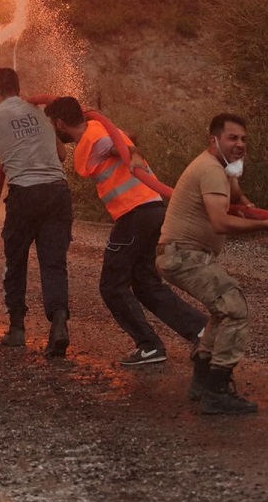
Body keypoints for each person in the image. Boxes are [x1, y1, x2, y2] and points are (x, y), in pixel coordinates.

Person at [44, 96, 208, 366]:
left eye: (53, 124)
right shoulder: (101, 130)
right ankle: (201, 330)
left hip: (135, 214)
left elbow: (118, 149)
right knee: (145, 284)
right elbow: (125, 138)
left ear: (60, 123)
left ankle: (149, 345)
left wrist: (133, 156)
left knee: (111, 286)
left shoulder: (94, 140)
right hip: (154, 208)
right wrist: (128, 147)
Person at [156, 113, 268, 415]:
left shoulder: (220, 169)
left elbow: (236, 194)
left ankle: (203, 383)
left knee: (222, 310)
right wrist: (267, 225)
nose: (240, 144)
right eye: (232, 138)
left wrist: (248, 205)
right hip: (184, 256)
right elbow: (219, 222)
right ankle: (216, 391)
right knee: (235, 308)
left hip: (182, 254)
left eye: (243, 139)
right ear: (213, 140)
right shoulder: (210, 169)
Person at [0, 68, 73, 357]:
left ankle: (17, 329)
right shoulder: (43, 114)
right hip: (58, 192)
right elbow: (62, 155)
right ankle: (59, 324)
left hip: (25, 193)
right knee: (54, 263)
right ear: (19, 89)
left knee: (16, 259)